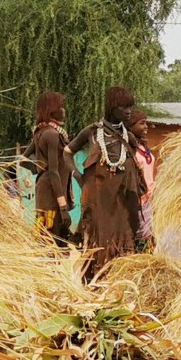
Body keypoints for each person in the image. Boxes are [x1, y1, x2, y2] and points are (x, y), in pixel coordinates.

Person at [67, 87, 144, 272]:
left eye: (130, 107)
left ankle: (119, 281)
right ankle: (93, 282)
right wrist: (77, 175)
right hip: (98, 204)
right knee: (97, 243)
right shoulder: (92, 132)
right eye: (123, 107)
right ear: (111, 107)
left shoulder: (129, 137)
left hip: (122, 206)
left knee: (123, 243)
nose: (128, 111)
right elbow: (67, 152)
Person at [23, 91, 73, 244]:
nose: (64, 110)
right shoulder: (51, 134)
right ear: (52, 110)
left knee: (49, 240)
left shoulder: (41, 131)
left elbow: (24, 158)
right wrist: (63, 207)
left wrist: (39, 169)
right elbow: (53, 172)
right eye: (61, 107)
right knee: (51, 240)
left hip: (46, 190)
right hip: (52, 194)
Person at [127, 107, 157, 252]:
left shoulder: (143, 147)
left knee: (151, 237)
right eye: (142, 123)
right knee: (140, 237)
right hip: (139, 200)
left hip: (151, 198)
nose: (146, 127)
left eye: (146, 123)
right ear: (131, 126)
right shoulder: (128, 149)